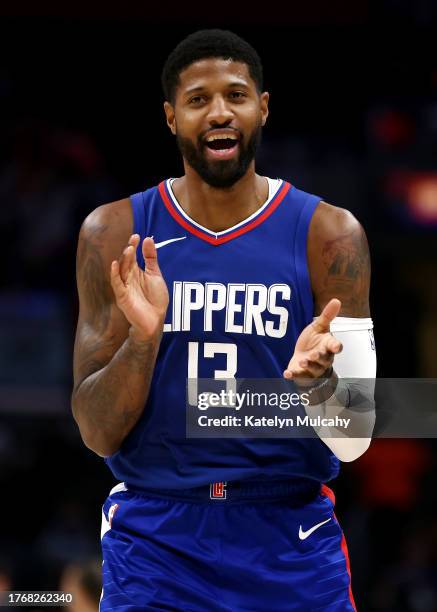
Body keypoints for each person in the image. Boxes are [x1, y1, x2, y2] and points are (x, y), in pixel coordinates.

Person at [72, 29, 376, 611]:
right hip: (158, 539)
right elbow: (97, 432)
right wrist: (142, 339)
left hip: (288, 533)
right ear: (170, 116)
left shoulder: (330, 235)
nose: (219, 112)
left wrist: (319, 389)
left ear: (262, 106)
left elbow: (356, 436)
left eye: (235, 95)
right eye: (197, 99)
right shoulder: (112, 232)